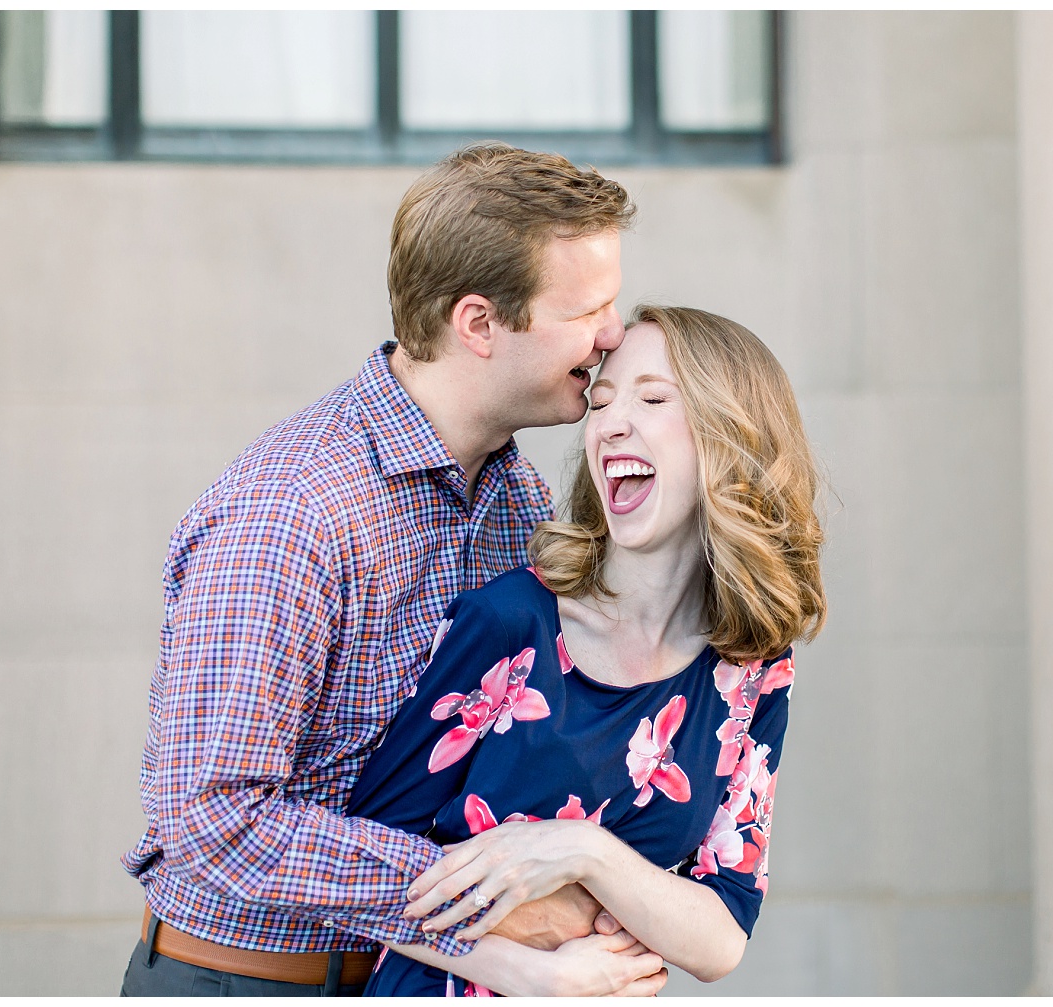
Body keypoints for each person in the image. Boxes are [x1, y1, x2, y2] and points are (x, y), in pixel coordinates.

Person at [119, 144, 665, 996]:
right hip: (252, 982)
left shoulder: (518, 501)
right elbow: (211, 820)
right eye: (588, 307)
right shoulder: (292, 511)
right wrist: (491, 904)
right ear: (479, 323)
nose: (613, 334)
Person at [345, 305, 828, 996]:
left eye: (653, 398)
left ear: (734, 439)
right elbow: (363, 862)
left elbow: (722, 932)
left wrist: (584, 852)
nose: (609, 421)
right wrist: (531, 971)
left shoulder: (753, 669)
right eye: (600, 401)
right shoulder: (512, 621)